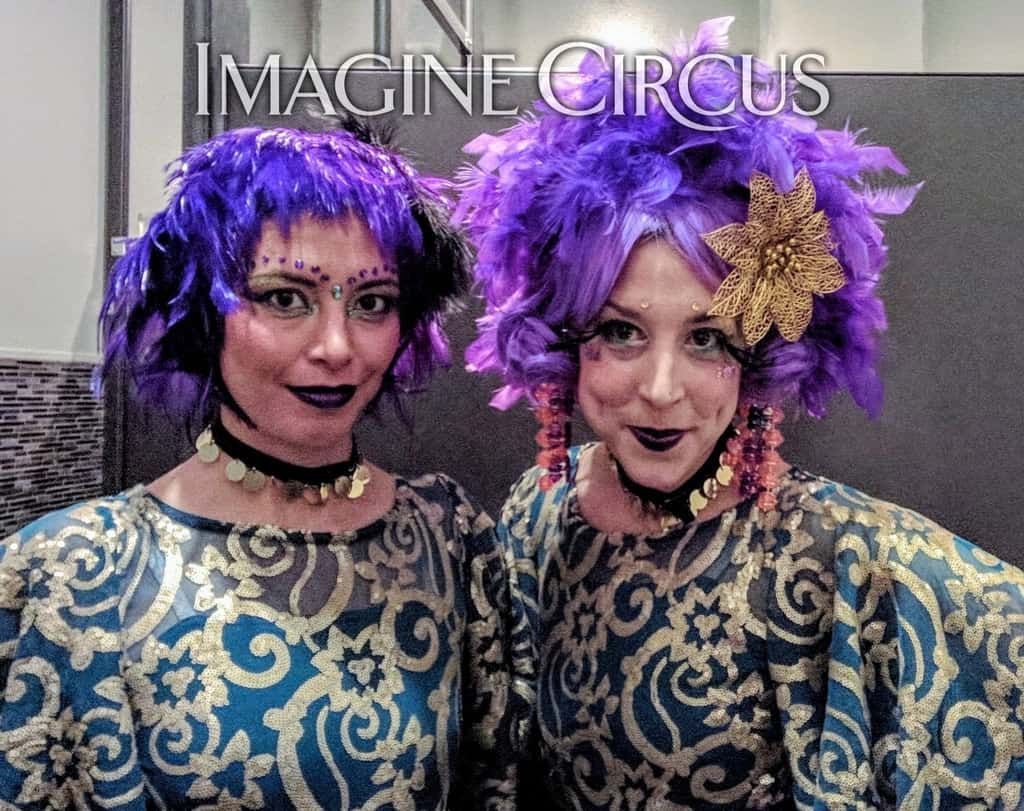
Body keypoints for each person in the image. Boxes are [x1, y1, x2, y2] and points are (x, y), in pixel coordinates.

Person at [456, 18, 1024, 809]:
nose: (662, 388)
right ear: (564, 339)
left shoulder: (845, 559)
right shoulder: (538, 515)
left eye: (708, 338)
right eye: (620, 331)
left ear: (760, 353)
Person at [0, 125, 518, 809]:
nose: (337, 347)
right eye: (283, 298)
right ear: (201, 316)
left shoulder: (448, 538)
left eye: (372, 303)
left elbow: (492, 783)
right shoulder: (74, 569)